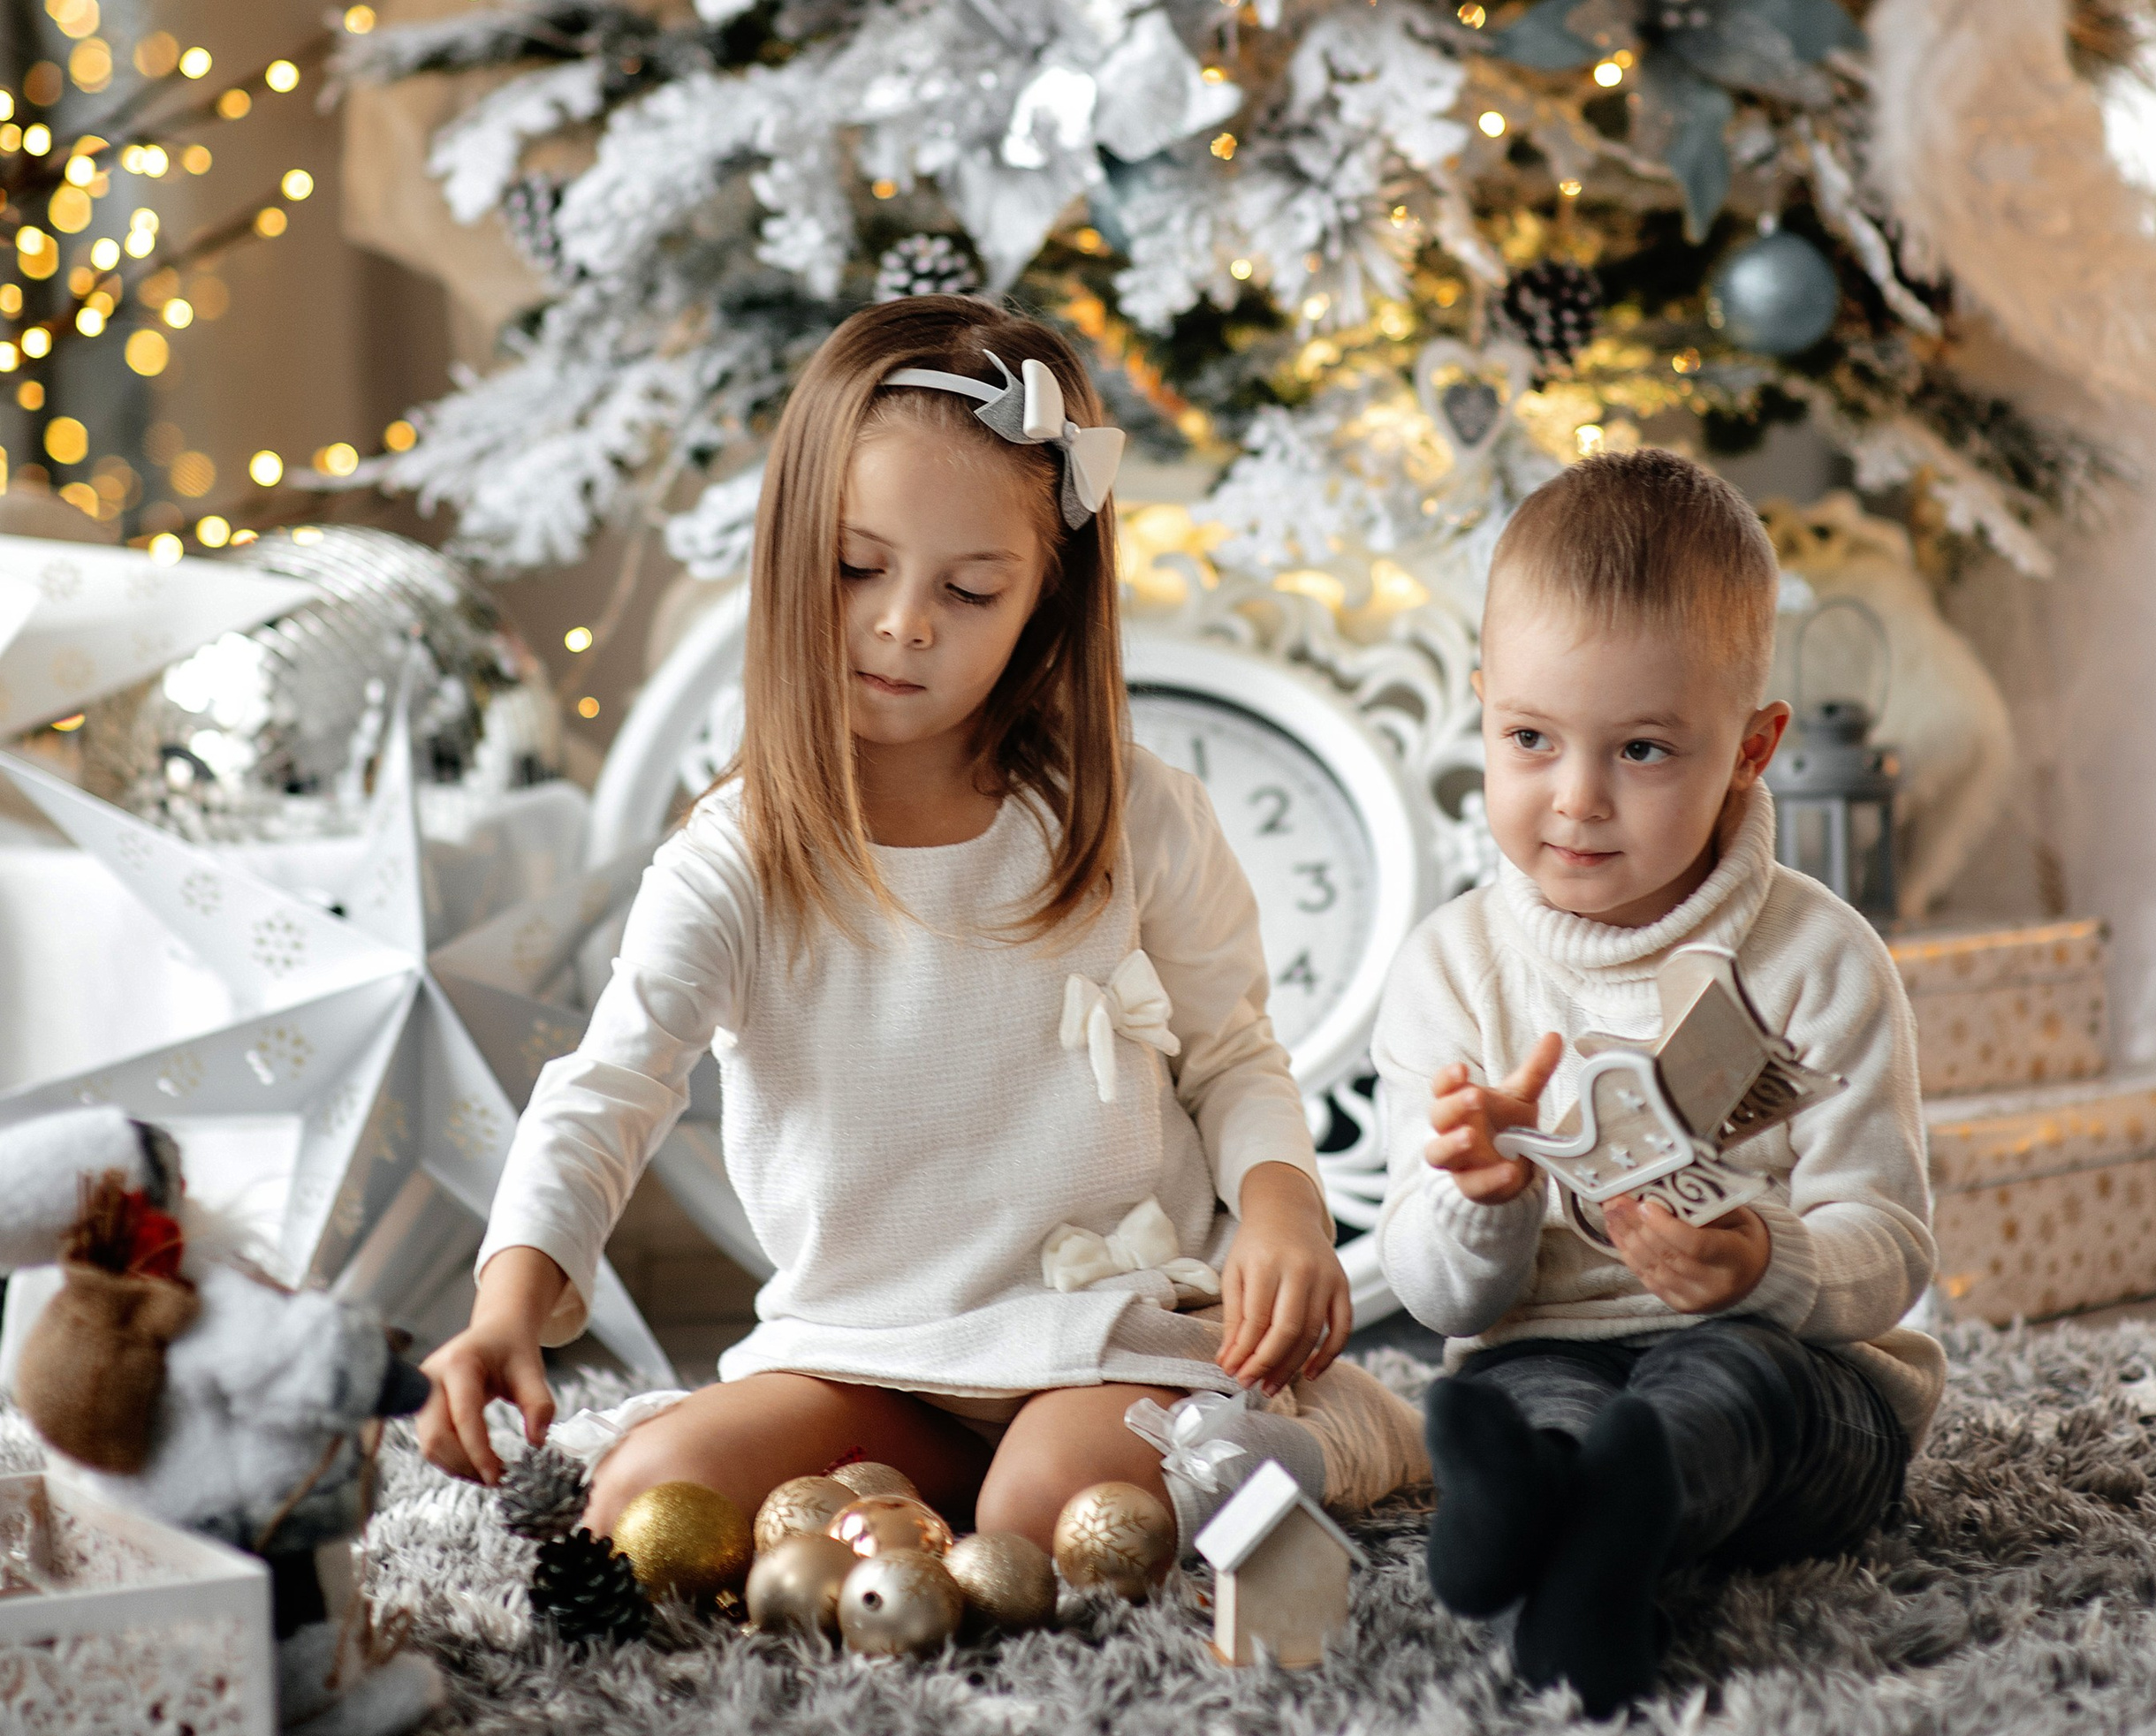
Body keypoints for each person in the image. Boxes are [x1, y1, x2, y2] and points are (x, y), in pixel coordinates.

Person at [419, 296, 1423, 1559]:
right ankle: (956, 1470)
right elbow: (610, 1088)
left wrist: (1283, 1211)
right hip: (866, 1344)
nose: (903, 621)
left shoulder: (1133, 815)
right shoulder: (737, 857)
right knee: (644, 1511)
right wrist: (507, 1302)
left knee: (1067, 1522)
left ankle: (1334, 1428)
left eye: (970, 588)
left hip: (1098, 1333)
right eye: (857, 567)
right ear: (794, 557)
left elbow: (1231, 1052)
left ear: (1042, 602)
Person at [1373, 448, 1941, 1715]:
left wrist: (1761, 1262)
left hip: (1794, 1380)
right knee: (1517, 1397)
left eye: (1640, 749)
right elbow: (1433, 1288)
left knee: (1731, 1389)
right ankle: (1552, 1518)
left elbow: (1892, 1244)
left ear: (1752, 747)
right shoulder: (1453, 970)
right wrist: (1479, 1196)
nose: (1573, 801)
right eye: (1529, 738)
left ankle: (1610, 1517)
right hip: (1549, 1346)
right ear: (1480, 710)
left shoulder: (1819, 961)